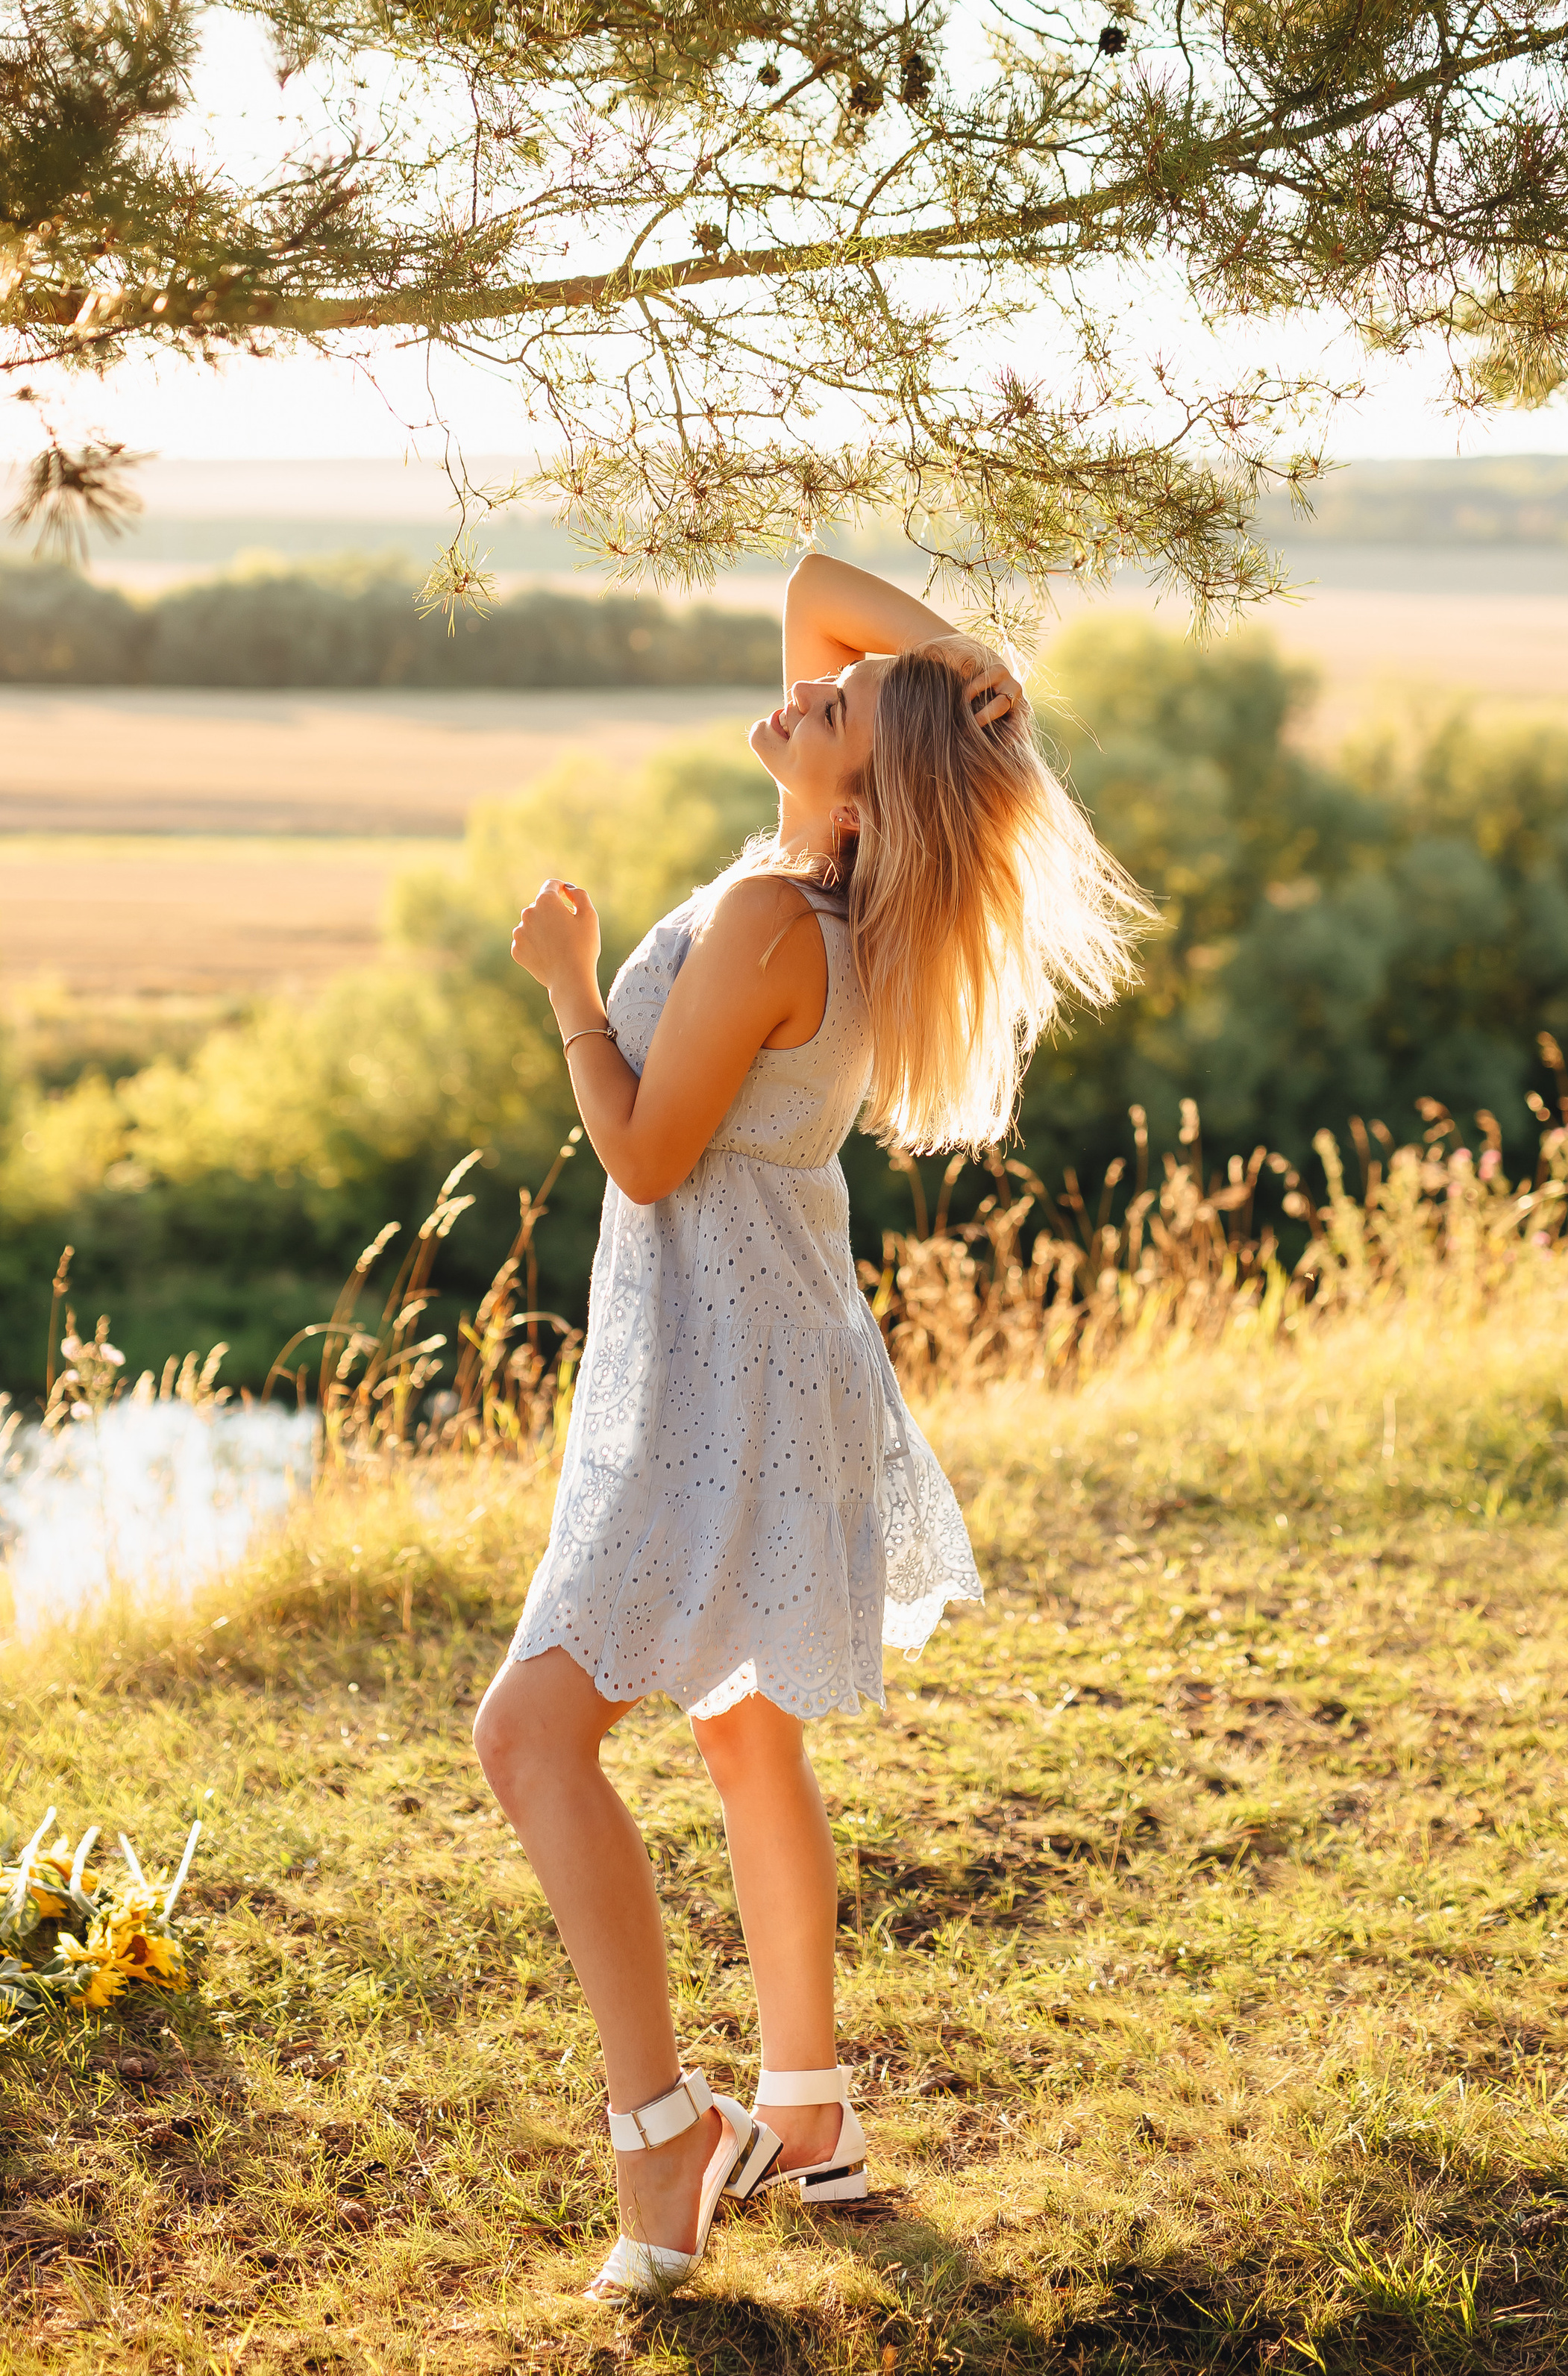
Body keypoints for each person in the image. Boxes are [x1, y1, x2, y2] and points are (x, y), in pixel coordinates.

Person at [472, 550, 1143, 2301]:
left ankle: (661, 2130)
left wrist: (568, 980)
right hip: (771, 1351)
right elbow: (813, 585)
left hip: (716, 1374)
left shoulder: (780, 918)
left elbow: (637, 1154)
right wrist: (959, 691)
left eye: (835, 705)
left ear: (862, 781)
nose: (803, 685)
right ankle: (810, 2108)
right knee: (742, 1723)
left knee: (530, 1738)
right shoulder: (821, 894)